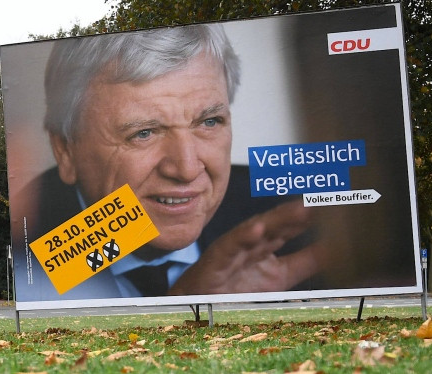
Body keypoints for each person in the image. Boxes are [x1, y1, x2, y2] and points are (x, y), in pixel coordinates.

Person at [20, 25, 319, 300]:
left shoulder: (291, 221)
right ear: (65, 150)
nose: (187, 169)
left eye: (209, 121)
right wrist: (182, 307)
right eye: (144, 133)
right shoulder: (25, 254)